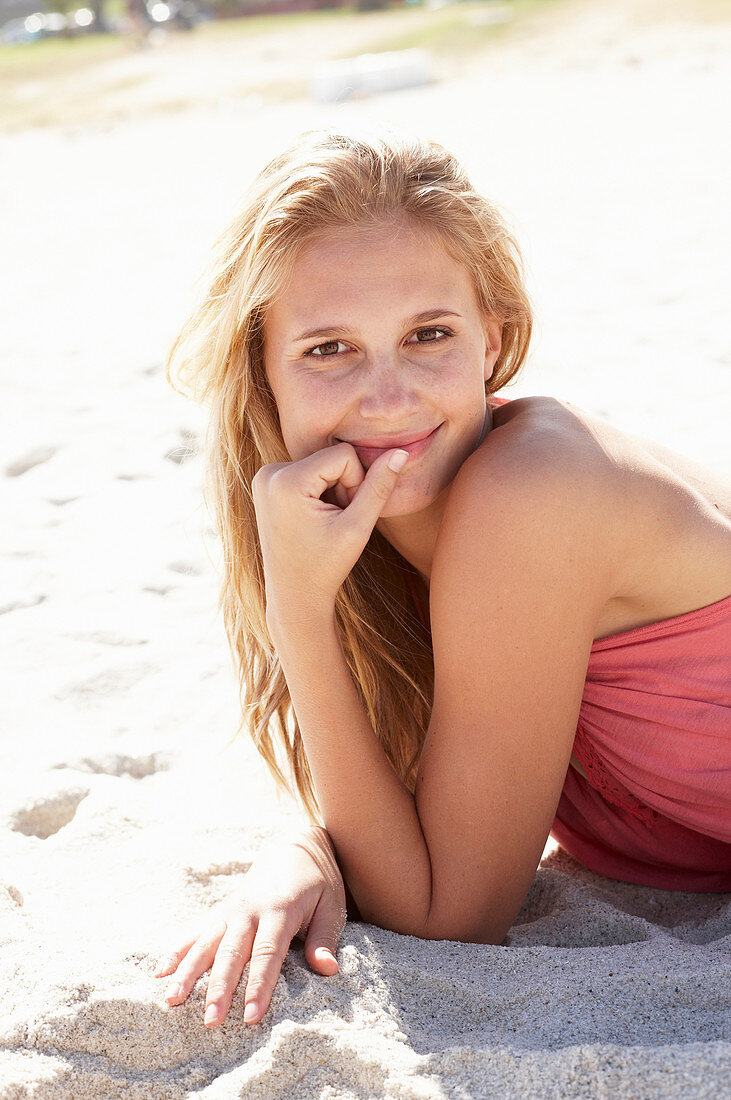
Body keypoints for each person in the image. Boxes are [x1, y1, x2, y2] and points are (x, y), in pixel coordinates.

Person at [154, 126, 731, 1031]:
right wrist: (305, 845)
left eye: (428, 333)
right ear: (261, 375)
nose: (389, 397)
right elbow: (419, 802)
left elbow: (449, 914)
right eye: (327, 349)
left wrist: (297, 608)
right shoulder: (378, 538)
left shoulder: (528, 492)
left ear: (493, 337)